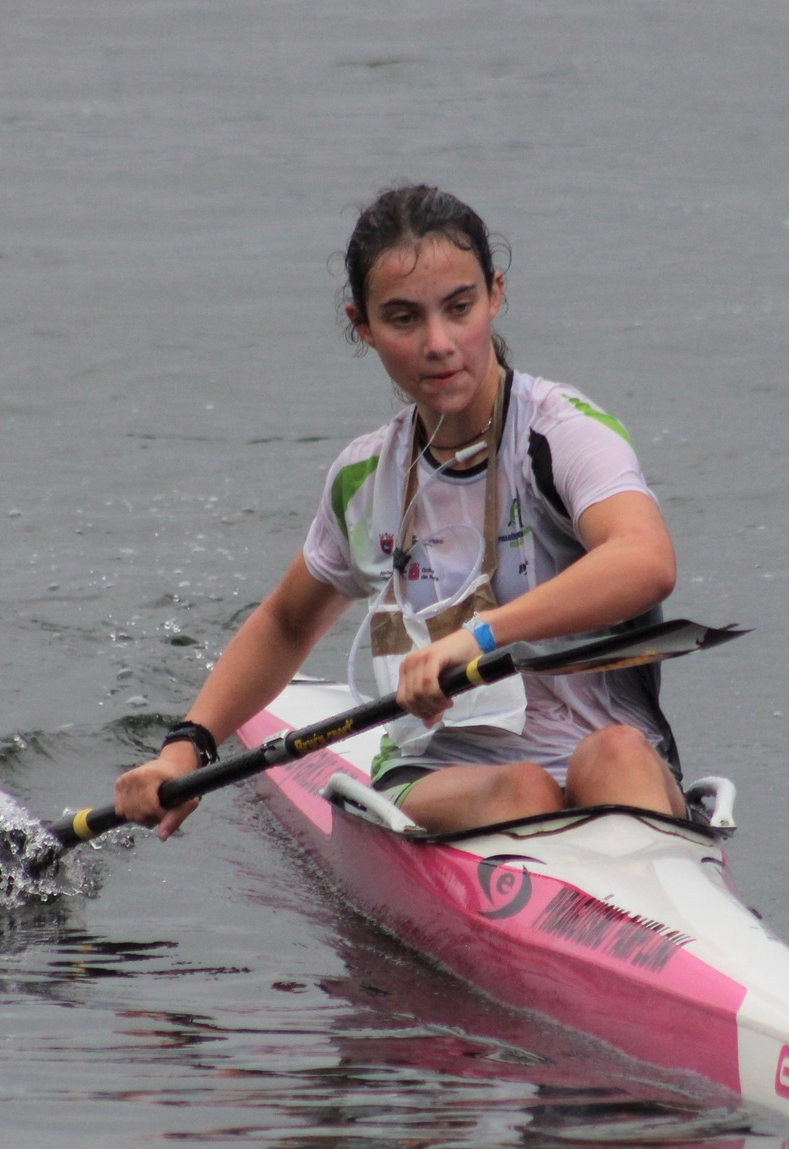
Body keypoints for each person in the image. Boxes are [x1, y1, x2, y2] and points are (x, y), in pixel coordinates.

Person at [114, 184, 685, 839]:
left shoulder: (560, 434)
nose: (439, 343)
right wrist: (187, 745)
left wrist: (480, 636)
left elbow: (645, 560)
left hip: (611, 763)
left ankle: (654, 910)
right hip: (449, 775)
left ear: (496, 294)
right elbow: (286, 623)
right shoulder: (368, 477)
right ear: (363, 326)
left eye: (460, 308)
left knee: (614, 753)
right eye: (404, 318)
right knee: (520, 790)